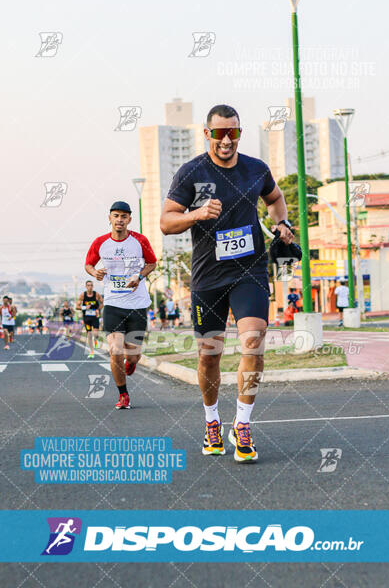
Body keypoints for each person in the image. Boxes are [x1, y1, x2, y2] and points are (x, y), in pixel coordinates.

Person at [160, 104, 293, 462]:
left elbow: (275, 199)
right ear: (208, 134)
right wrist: (197, 213)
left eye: (233, 132)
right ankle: (212, 420)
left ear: (239, 133)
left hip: (249, 270)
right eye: (219, 133)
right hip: (208, 277)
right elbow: (165, 221)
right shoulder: (191, 173)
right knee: (209, 356)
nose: (226, 140)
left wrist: (283, 223)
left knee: (253, 341)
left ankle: (244, 424)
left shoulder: (256, 169)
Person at [85, 201, 156, 410]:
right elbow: (88, 264)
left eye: (124, 216)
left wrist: (139, 277)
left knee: (132, 355)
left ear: (129, 220)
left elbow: (152, 263)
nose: (119, 220)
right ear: (109, 218)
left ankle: (131, 363)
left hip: (137, 305)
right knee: (115, 350)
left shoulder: (140, 241)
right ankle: (123, 394)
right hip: (113, 304)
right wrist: (94, 272)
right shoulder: (100, 243)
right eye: (116, 216)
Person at [76, 280, 104, 359]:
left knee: (95, 333)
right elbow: (77, 307)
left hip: (95, 317)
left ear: (93, 286)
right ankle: (92, 352)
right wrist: (84, 307)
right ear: (86, 286)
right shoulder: (82, 295)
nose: (90, 287)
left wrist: (98, 309)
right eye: (88, 285)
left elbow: (102, 303)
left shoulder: (96, 295)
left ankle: (96, 340)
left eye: (91, 285)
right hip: (87, 318)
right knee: (89, 334)